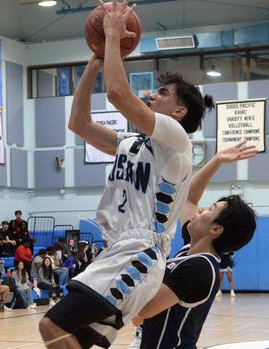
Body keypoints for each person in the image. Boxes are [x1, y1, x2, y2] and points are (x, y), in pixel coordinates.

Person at [39, 0, 216, 345]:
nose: (151, 95)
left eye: (162, 93)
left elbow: (118, 94)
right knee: (67, 338)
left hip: (139, 253)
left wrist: (111, 38)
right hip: (116, 251)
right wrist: (95, 61)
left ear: (178, 111)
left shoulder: (177, 141)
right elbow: (79, 123)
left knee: (51, 326)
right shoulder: (133, 143)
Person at [130, 140, 258, 349]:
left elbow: (142, 311)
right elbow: (189, 199)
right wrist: (216, 161)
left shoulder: (200, 267)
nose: (200, 210)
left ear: (215, 230)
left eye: (210, 208)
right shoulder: (190, 251)